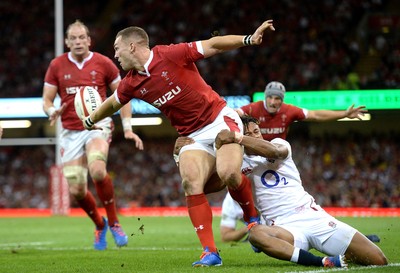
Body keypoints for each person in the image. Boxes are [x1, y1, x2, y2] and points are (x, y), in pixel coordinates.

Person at [82, 20, 276, 267]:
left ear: (132, 46)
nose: (115, 54)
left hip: (219, 120)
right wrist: (90, 119)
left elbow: (213, 44)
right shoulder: (130, 82)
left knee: (228, 174)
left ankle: (252, 219)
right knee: (190, 182)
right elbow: (112, 103)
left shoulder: (170, 54)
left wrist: (248, 38)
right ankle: (210, 252)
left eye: (117, 48)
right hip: (192, 135)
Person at [213, 115, 388, 268]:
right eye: (247, 133)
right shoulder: (238, 163)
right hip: (283, 227)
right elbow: (222, 181)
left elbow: (274, 151)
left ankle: (339, 250)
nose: (253, 136)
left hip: (313, 217)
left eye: (256, 132)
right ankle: (320, 261)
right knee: (256, 234)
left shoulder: (278, 143)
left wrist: (238, 137)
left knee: (379, 260)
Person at [42, 20, 144, 251]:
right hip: (69, 131)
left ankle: (115, 222)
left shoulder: (104, 63)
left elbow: (122, 95)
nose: (78, 42)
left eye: (82, 37)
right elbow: (47, 99)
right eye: (73, 38)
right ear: (67, 42)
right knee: (77, 189)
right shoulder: (57, 65)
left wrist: (127, 127)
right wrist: (51, 111)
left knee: (98, 170)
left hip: (97, 126)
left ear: (89, 40)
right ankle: (100, 224)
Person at [236, 81, 368, 141]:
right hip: (254, 154)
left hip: (276, 156)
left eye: (277, 98)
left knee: (282, 146)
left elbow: (315, 115)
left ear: (282, 100)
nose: (272, 102)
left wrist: (344, 114)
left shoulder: (288, 110)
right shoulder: (253, 108)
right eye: (270, 97)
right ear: (265, 97)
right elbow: (235, 113)